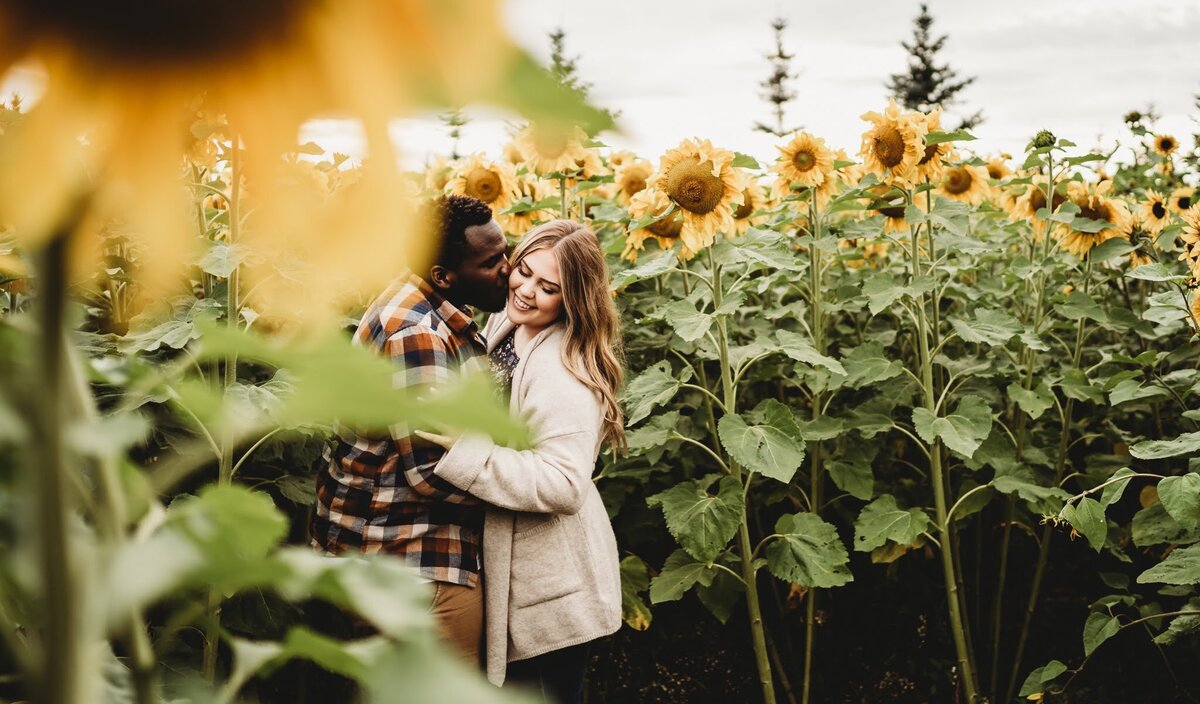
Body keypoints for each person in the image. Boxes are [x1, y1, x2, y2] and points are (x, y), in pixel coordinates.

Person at [416, 219, 625, 703]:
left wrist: (466, 452)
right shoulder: (508, 324)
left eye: (548, 287)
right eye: (523, 271)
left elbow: (564, 484)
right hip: (523, 571)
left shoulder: (564, 371)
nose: (526, 290)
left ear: (573, 299)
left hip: (553, 589)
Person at [311, 194, 510, 664]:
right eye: (491, 262)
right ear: (444, 276)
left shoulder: (419, 301)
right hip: (406, 555)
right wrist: (527, 487)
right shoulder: (417, 333)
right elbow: (432, 470)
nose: (509, 268)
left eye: (505, 251)